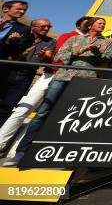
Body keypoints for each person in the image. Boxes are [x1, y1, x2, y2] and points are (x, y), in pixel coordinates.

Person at [4, 17, 112, 166]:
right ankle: (22, 153)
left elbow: (106, 61)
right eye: (99, 23)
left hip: (85, 80)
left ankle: (60, 156)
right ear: (90, 25)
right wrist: (81, 51)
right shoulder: (74, 39)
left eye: (104, 24)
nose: (102, 25)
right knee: (43, 112)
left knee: (72, 116)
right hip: (62, 77)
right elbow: (60, 56)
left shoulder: (106, 43)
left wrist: (97, 53)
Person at [0, 18, 88, 154]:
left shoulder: (93, 41)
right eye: (87, 23)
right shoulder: (66, 36)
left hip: (70, 78)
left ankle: (17, 150)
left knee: (47, 114)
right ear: (78, 24)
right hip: (51, 75)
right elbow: (56, 56)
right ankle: (1, 142)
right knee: (25, 108)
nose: (90, 25)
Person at [0, 19, 55, 127]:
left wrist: (45, 57)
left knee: (8, 105)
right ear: (33, 27)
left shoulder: (51, 41)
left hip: (26, 75)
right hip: (8, 71)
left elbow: (47, 60)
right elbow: (7, 54)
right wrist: (20, 55)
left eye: (49, 27)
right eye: (43, 26)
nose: (46, 29)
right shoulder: (20, 35)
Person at [0, 1, 32, 118]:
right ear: (5, 9)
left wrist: (9, 42)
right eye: (19, 9)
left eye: (24, 10)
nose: (22, 12)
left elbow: (16, 52)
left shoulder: (23, 29)